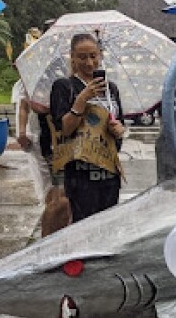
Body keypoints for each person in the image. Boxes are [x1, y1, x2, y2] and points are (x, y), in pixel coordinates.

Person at [49, 33, 126, 222]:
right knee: (84, 229)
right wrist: (82, 98)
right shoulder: (64, 86)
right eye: (82, 57)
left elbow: (120, 125)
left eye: (93, 56)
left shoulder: (111, 89)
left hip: (109, 173)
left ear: (100, 55)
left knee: (107, 228)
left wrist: (119, 129)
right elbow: (64, 130)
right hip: (80, 176)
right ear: (72, 58)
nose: (89, 63)